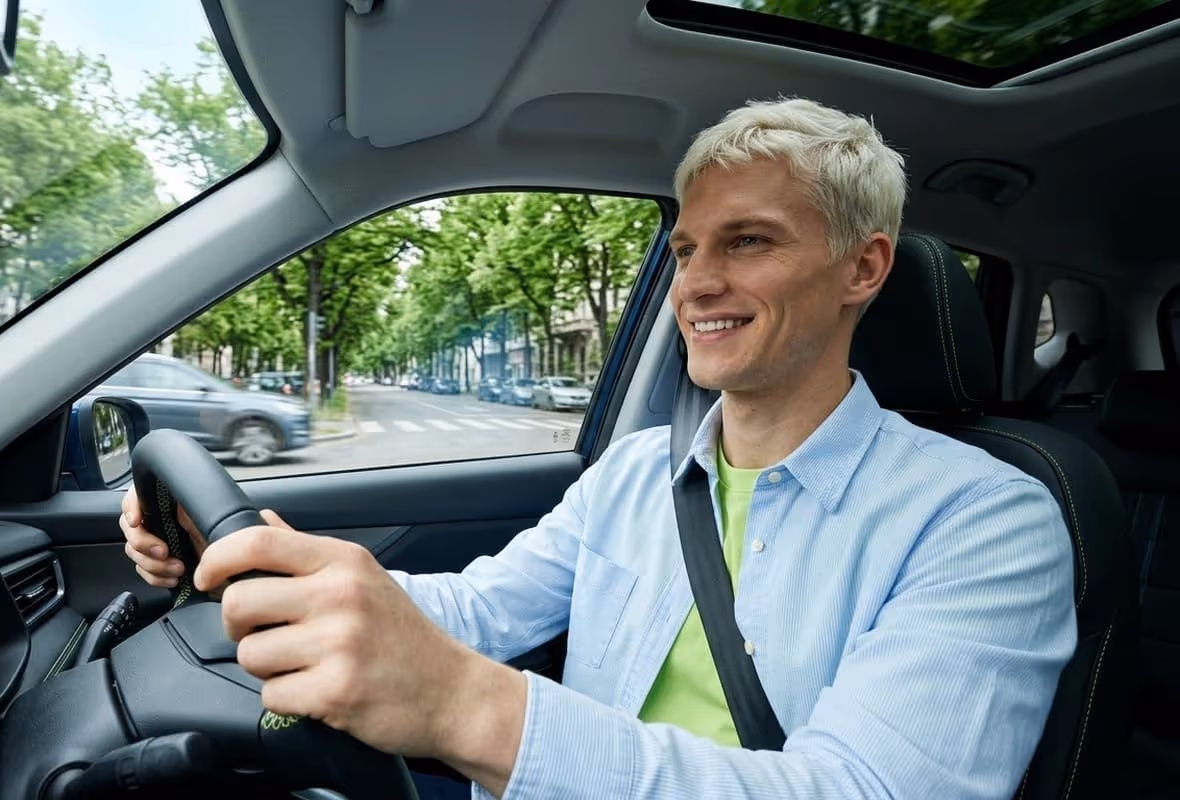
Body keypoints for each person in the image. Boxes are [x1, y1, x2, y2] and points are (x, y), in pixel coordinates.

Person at [120, 97, 1076, 799]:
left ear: (862, 268)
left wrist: (467, 709)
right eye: (687, 249)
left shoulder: (986, 520)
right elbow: (479, 610)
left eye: (748, 241)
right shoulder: (636, 471)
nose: (696, 283)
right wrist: (270, 564)